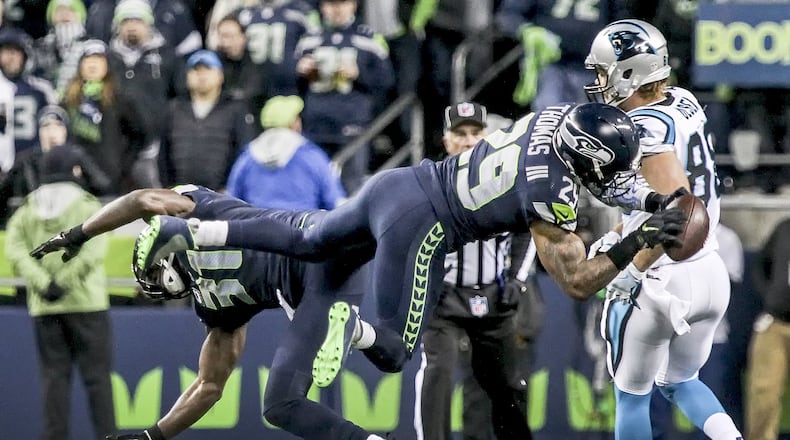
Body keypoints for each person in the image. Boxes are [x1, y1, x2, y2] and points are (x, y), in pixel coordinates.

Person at [134, 102, 689, 397]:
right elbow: (576, 280)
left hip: (396, 184)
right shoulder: (549, 192)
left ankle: (204, 232)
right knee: (396, 352)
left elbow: (597, 172)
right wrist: (642, 235)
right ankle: (352, 329)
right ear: (584, 155)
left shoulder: (554, 118)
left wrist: (650, 196)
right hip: (425, 224)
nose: (612, 177)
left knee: (308, 237)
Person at [30, 184, 408, 440]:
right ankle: (357, 332)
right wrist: (154, 434)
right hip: (324, 265)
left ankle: (348, 319)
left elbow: (142, 201)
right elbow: (208, 386)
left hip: (311, 253)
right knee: (389, 358)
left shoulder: (199, 215)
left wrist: (82, 232)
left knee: (281, 403)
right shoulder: (211, 304)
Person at [583, 19, 743, 439]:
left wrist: (632, 268)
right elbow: (661, 199)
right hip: (710, 272)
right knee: (680, 382)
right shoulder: (683, 99)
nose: (599, 80)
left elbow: (680, 213)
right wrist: (622, 231)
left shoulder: (645, 126)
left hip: (663, 274)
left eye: (603, 71)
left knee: (631, 395)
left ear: (629, 73)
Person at [414, 101, 531, 439]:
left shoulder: (507, 180)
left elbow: (531, 229)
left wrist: (516, 280)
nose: (467, 141)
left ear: (486, 137)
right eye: (460, 134)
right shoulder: (428, 183)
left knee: (508, 384)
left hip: (493, 296)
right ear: (446, 140)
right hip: (444, 298)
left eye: (475, 133)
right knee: (437, 371)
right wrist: (428, 284)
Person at [4, 107, 115, 440]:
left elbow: (14, 249)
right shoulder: (86, 205)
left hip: (45, 307)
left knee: (54, 383)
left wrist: (43, 284)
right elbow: (96, 250)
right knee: (98, 383)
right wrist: (65, 282)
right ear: (75, 169)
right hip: (88, 306)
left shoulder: (26, 209)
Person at [226, 94, 346, 210]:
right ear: (295, 124)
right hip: (301, 227)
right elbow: (334, 201)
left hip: (257, 226)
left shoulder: (248, 156)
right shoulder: (311, 156)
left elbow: (232, 200)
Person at [158, 49, 253, 191]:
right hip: (180, 194)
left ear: (220, 75)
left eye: (208, 70)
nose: (202, 75)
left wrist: (231, 189)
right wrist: (169, 187)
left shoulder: (235, 108)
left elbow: (243, 150)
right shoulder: (174, 109)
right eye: (196, 70)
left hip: (223, 194)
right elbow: (164, 153)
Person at [746, 218, 790, 440]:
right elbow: (761, 264)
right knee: (764, 393)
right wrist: (770, 297)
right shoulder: (784, 228)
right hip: (776, 321)